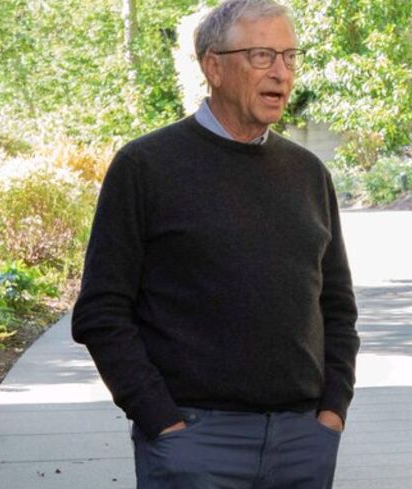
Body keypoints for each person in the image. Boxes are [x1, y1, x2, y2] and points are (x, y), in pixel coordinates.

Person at [71, 1, 359, 487]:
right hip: (194, 443)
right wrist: (163, 422)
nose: (282, 73)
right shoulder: (146, 167)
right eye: (263, 55)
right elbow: (101, 312)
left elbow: (337, 306)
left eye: (290, 57)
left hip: (301, 443)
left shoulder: (308, 173)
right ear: (214, 67)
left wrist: (331, 413)